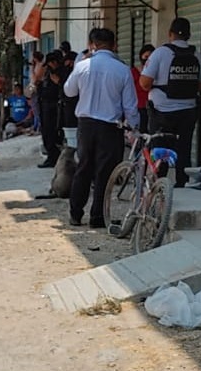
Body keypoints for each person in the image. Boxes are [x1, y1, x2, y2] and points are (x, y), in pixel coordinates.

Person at [63, 28, 139, 228]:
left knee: (83, 168)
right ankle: (97, 217)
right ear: (114, 45)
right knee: (105, 173)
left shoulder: (82, 66)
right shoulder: (122, 70)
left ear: (92, 45)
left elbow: (69, 91)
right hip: (110, 127)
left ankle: (75, 214)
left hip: (86, 125)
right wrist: (133, 128)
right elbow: (130, 106)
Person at [140, 17, 201, 187]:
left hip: (161, 112)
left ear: (170, 34)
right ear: (189, 35)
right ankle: (181, 183)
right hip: (188, 112)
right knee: (183, 149)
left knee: (160, 149)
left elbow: (144, 83)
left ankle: (159, 185)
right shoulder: (196, 55)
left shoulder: (160, 53)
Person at [36, 50, 65, 168]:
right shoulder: (48, 74)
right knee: (46, 132)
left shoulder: (61, 73)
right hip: (44, 105)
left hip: (54, 107)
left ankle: (54, 156)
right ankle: (51, 156)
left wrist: (58, 81)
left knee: (52, 133)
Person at [129, 44, 154, 134]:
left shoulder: (155, 72)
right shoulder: (133, 72)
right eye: (146, 57)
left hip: (153, 108)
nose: (148, 59)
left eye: (150, 57)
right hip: (138, 108)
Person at [28, 50, 45, 134]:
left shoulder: (40, 66)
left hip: (36, 87)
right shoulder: (38, 66)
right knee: (34, 107)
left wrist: (32, 69)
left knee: (36, 107)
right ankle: (36, 125)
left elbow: (35, 78)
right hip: (33, 87)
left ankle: (39, 126)